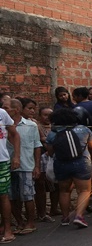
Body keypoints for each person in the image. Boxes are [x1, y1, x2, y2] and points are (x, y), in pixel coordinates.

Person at [45, 108, 92, 228]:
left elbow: (51, 152)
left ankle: (65, 218)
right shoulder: (83, 129)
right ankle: (79, 216)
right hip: (81, 163)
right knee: (84, 191)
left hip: (61, 164)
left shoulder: (52, 133)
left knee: (64, 191)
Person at [7, 98, 41, 236]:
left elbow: (37, 146)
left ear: (16, 110)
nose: (4, 110)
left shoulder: (30, 125)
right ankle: (20, 221)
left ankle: (30, 222)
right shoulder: (4, 125)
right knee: (11, 197)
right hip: (7, 166)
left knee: (27, 196)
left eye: (7, 108)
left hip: (26, 165)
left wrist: (37, 166)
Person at [0, 103, 20, 244]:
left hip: (1, 160)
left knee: (3, 195)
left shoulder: (2, 113)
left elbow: (14, 134)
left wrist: (16, 156)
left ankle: (8, 229)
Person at [34, 106, 58, 222]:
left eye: (50, 115)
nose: (48, 117)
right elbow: (42, 140)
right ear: (40, 116)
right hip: (43, 157)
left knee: (56, 185)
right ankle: (42, 212)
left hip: (54, 157)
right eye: (45, 115)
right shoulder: (37, 126)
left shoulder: (55, 126)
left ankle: (54, 208)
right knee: (41, 185)